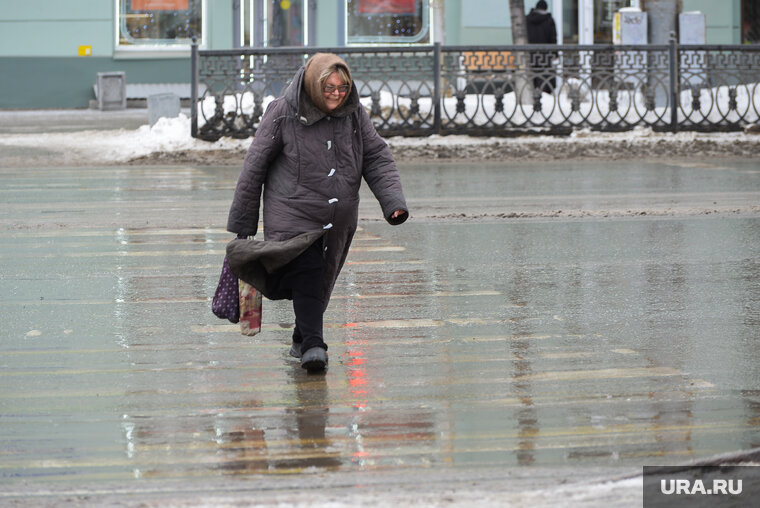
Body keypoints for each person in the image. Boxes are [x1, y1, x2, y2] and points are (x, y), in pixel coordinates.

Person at [225, 53, 409, 373]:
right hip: (292, 209)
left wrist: (392, 201)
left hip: (338, 215)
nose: (337, 94)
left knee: (322, 278)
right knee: (307, 269)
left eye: (343, 87)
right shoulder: (283, 112)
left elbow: (377, 157)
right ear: (314, 84)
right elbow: (255, 165)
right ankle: (314, 344)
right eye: (329, 88)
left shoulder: (354, 114)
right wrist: (243, 221)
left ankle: (301, 335)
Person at [526, 0, 558, 94]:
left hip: (530, 53)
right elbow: (553, 38)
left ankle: (533, 94)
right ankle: (543, 95)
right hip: (545, 54)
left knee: (533, 75)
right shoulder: (549, 20)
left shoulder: (527, 19)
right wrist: (555, 53)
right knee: (544, 76)